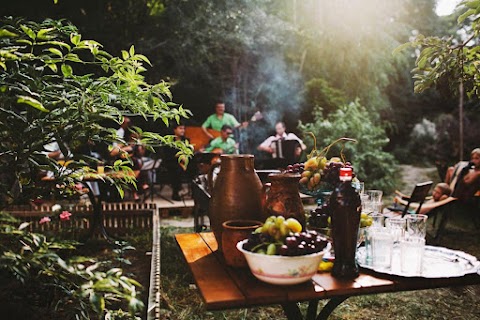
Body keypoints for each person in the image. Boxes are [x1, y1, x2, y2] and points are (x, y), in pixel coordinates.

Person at [163, 123, 190, 201]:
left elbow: (189, 151)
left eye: (183, 129)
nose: (182, 130)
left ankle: (194, 192)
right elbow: (167, 155)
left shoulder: (186, 140)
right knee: (176, 169)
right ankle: (176, 192)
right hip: (171, 161)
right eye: (180, 128)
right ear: (175, 129)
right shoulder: (169, 141)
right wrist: (179, 156)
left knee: (194, 168)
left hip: (184, 161)